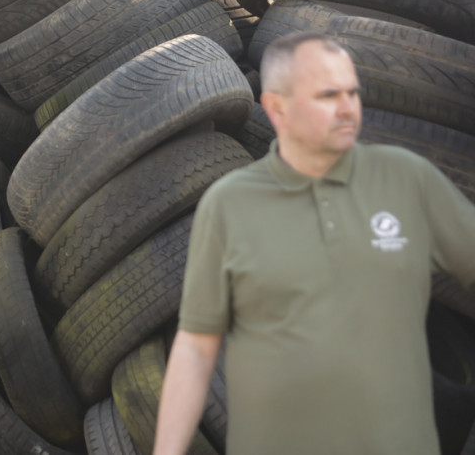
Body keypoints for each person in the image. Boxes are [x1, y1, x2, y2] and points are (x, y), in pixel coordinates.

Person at [153, 31, 475, 454]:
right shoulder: (229, 204)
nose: (348, 109)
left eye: (352, 93)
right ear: (277, 109)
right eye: (327, 95)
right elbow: (196, 348)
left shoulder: (407, 178)